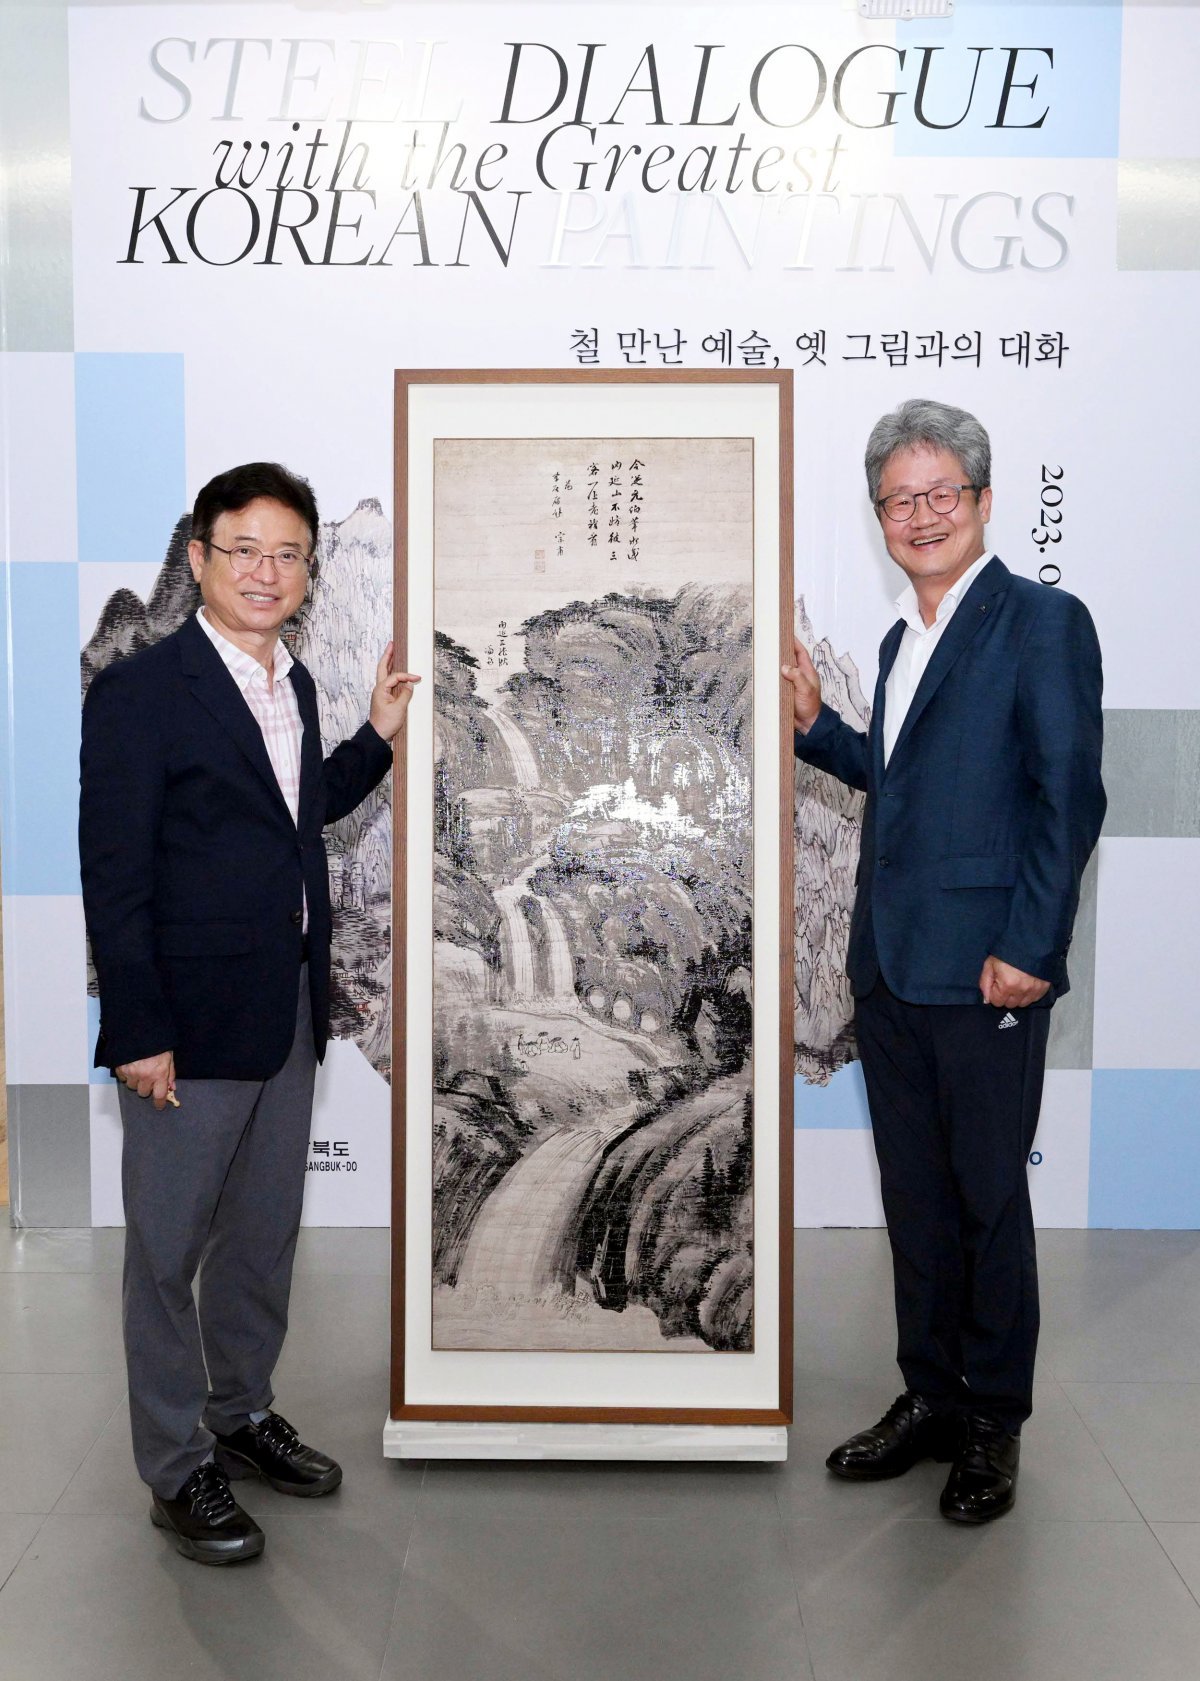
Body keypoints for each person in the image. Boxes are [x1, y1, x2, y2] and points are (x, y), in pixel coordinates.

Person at [79, 461, 419, 1565]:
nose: (267, 572)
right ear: (201, 558)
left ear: (308, 570)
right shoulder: (141, 691)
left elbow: (295, 817)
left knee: (261, 1241)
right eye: (245, 550)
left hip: (284, 1012)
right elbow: (114, 873)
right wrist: (137, 1029)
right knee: (166, 1252)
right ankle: (176, 1467)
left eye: (288, 554)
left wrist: (374, 735)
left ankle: (240, 1412)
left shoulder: (296, 684)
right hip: (185, 1025)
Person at [783, 400, 1104, 1523]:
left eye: (940, 494)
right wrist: (819, 727)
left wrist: (1030, 946)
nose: (919, 516)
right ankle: (929, 1394)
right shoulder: (899, 639)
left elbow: (1068, 798)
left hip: (986, 974)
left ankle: (992, 1423)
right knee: (915, 1200)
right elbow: (905, 780)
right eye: (897, 500)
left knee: (986, 1202)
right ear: (879, 516)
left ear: (982, 499)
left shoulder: (1043, 622)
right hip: (892, 968)